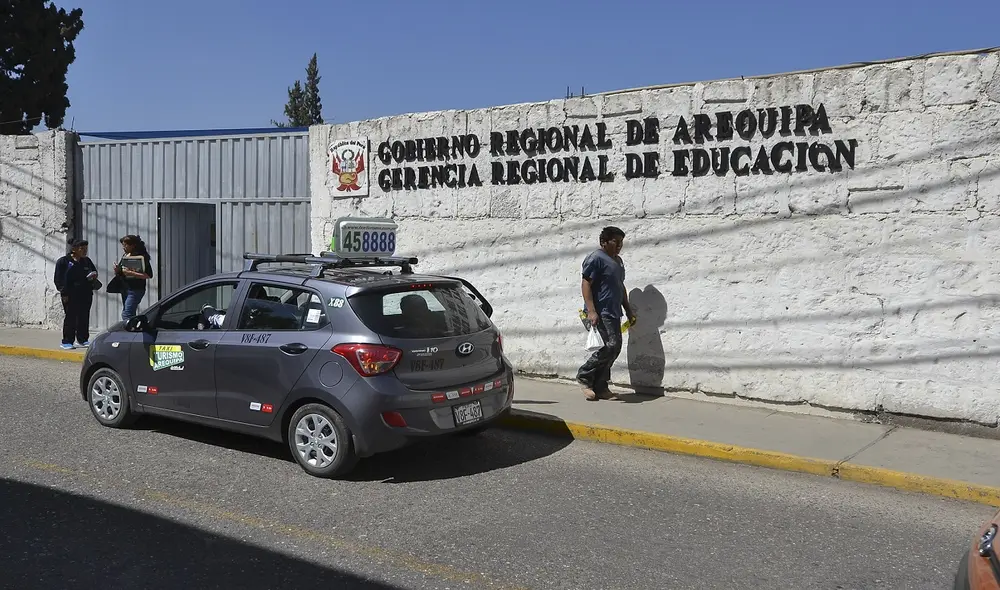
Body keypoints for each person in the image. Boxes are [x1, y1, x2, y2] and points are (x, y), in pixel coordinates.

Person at [577, 226, 637, 401]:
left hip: (613, 311)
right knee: (609, 346)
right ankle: (585, 376)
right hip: (599, 312)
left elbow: (620, 286)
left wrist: (628, 310)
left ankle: (601, 386)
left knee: (614, 348)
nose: (619, 246)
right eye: (615, 242)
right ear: (603, 242)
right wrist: (591, 311)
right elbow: (586, 284)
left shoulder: (618, 261)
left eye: (621, 242)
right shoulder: (596, 258)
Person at [54, 239, 99, 349]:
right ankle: (67, 341)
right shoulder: (63, 262)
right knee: (71, 317)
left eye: (86, 249)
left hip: (85, 293)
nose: (84, 251)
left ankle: (82, 339)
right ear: (74, 249)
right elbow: (58, 279)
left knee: (84, 317)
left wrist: (93, 276)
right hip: (70, 294)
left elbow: (93, 271)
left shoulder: (86, 261)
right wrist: (64, 293)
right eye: (82, 249)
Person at [113, 234, 153, 321]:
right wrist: (117, 270)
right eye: (123, 245)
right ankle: (134, 327)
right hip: (125, 288)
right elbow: (122, 272)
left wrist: (131, 273)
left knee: (127, 314)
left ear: (133, 245)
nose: (123, 247)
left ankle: (129, 329)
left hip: (135, 289)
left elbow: (148, 275)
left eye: (125, 245)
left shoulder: (141, 257)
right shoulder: (125, 255)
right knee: (130, 312)